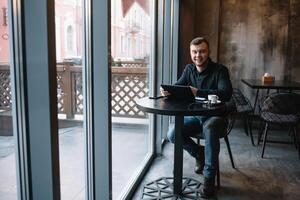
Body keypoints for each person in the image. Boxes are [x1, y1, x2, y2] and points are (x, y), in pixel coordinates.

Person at [160, 37, 232, 198]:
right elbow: (178, 86)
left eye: (202, 51)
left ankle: (209, 180)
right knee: (173, 134)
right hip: (196, 117)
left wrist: (198, 92)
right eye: (194, 52)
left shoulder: (220, 70)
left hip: (216, 117)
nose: (198, 55)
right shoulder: (189, 69)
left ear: (208, 52)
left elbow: (226, 94)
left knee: (211, 128)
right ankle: (199, 153)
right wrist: (168, 91)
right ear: (191, 53)